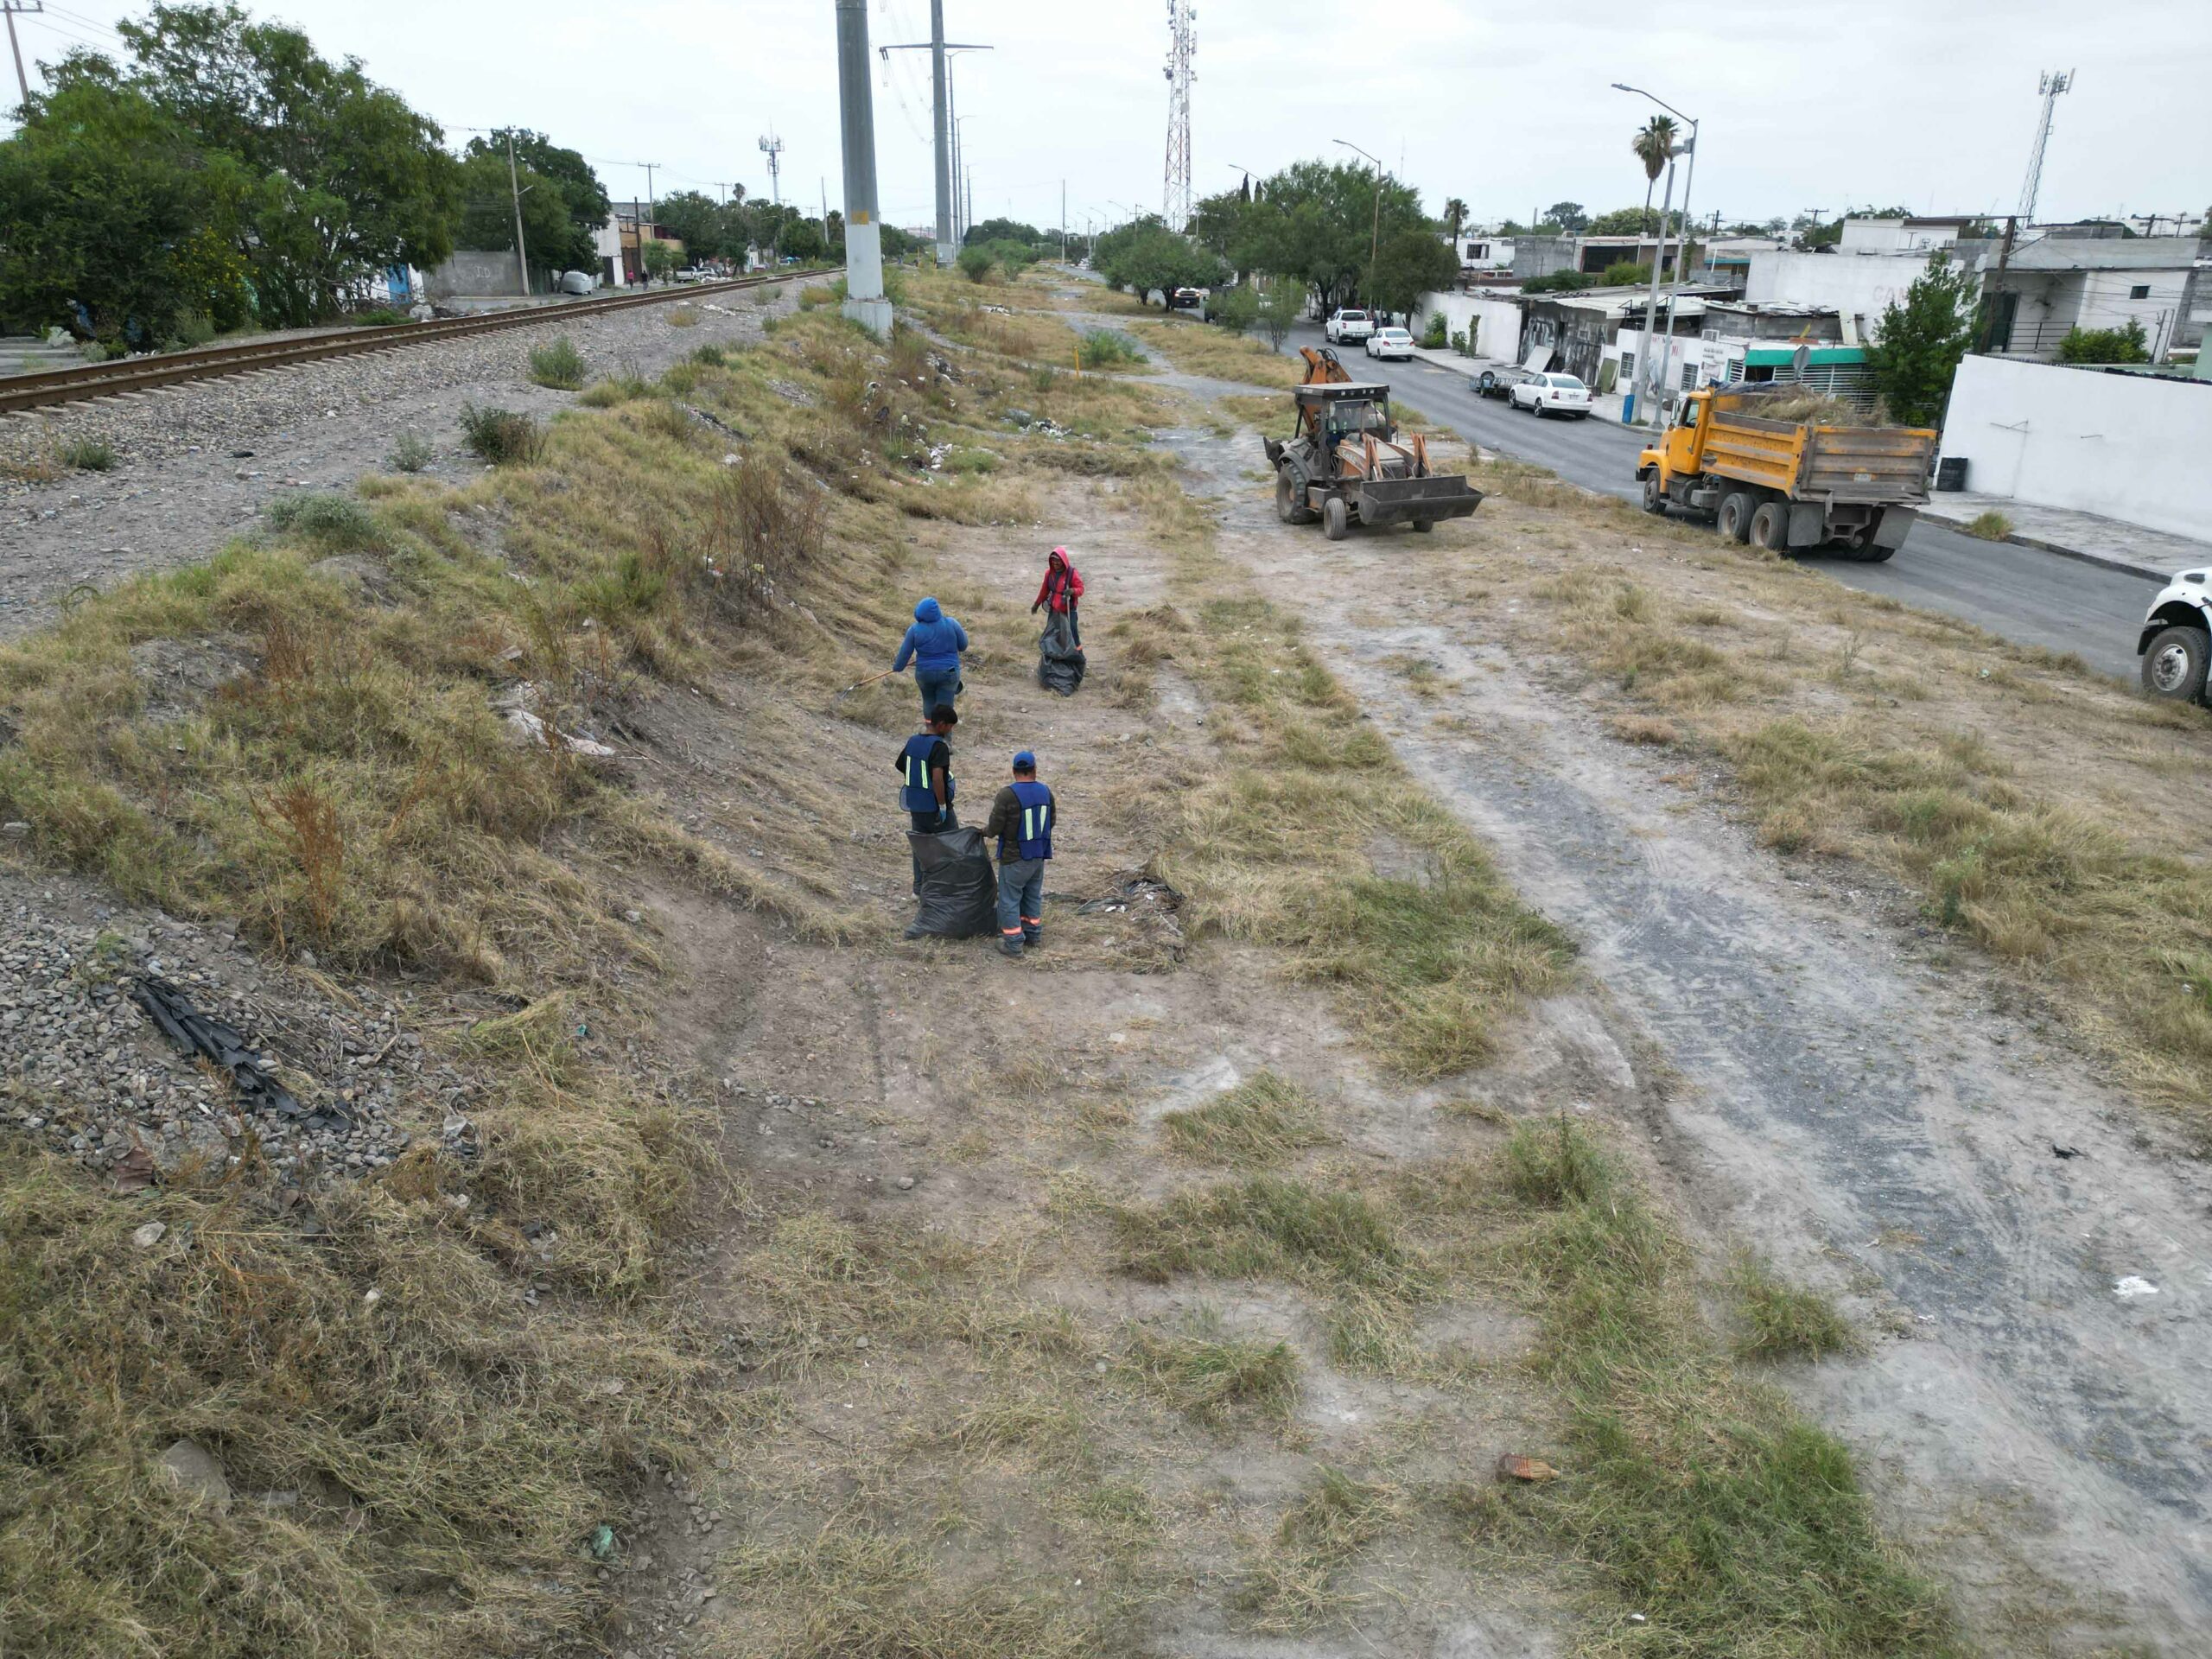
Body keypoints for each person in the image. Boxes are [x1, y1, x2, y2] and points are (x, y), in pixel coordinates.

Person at [983, 750, 1054, 958]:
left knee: (1009, 899)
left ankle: (1013, 944)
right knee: (1032, 895)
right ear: (1034, 770)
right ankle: (1033, 936)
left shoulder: (1007, 794)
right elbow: (1052, 821)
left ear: (1014, 771)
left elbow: (995, 826)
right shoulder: (1046, 792)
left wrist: (983, 832)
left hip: (1014, 858)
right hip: (1038, 856)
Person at [893, 596, 969, 716]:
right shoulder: (952, 623)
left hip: (925, 674)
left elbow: (904, 654)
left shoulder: (914, 630)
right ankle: (944, 734)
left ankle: (930, 730)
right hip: (949, 672)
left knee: (929, 702)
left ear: (918, 613)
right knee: (945, 708)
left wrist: (898, 667)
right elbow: (963, 646)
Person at [896, 705, 958, 833]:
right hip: (933, 806)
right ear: (941, 725)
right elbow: (937, 779)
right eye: (950, 726)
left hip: (915, 805)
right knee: (952, 843)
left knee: (922, 846)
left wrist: (917, 780)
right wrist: (942, 806)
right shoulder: (939, 746)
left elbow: (901, 765)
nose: (950, 730)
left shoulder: (913, 741)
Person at [1032, 546, 1084, 649]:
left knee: (1072, 635)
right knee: (1052, 636)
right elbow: (1044, 591)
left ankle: (1078, 658)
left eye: (1058, 562)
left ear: (1063, 561)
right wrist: (1036, 604)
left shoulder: (1072, 573)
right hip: (1054, 610)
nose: (1055, 564)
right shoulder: (1049, 574)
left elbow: (1081, 589)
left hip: (1069, 610)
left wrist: (1072, 591)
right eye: (1053, 561)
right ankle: (1055, 660)